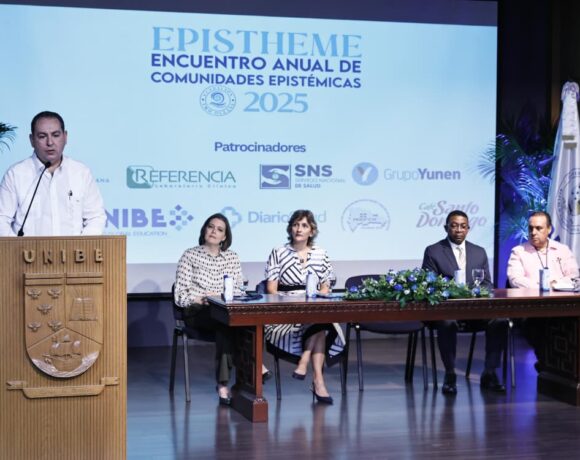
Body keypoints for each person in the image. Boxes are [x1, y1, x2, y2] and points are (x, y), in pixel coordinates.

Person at [422, 210, 508, 395]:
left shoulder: (479, 252)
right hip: (447, 311)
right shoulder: (433, 251)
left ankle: (489, 372)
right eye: (454, 226)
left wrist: (474, 295)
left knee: (500, 320)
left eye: (463, 226)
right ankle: (450, 374)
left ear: (468, 228)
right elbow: (429, 284)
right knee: (446, 323)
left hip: (474, 311)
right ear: (446, 228)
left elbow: (487, 284)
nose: (459, 230)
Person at [264, 209, 344, 404]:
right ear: (290, 228)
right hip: (286, 311)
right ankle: (318, 381)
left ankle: (305, 362)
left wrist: (318, 298)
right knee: (321, 325)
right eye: (295, 225)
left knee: (320, 319)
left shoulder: (321, 253)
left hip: (314, 305)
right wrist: (292, 304)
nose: (299, 229)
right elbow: (271, 289)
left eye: (304, 225)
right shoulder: (279, 252)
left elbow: (326, 285)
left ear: (312, 231)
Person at [174, 213, 243, 405]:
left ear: (224, 237)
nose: (214, 231)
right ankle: (249, 371)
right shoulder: (190, 255)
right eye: (210, 226)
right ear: (204, 229)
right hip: (197, 311)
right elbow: (180, 295)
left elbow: (239, 290)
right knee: (226, 322)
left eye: (219, 229)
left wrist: (219, 297)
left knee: (233, 324)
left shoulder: (232, 257)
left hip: (223, 311)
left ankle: (229, 384)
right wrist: (202, 298)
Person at [0, 111, 106, 236]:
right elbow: (2, 219)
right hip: (26, 249)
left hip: (74, 249)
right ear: (32, 140)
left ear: (65, 137)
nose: (50, 142)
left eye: (56, 135)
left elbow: (95, 217)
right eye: (42, 136)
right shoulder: (15, 175)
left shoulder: (81, 173)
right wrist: (18, 247)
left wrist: (81, 246)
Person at [507, 211, 579, 369]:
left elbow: (575, 277)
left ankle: (564, 368)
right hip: (531, 309)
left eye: (538, 228)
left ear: (549, 229)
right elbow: (515, 279)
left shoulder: (562, 250)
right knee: (538, 325)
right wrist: (543, 285)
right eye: (530, 228)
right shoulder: (519, 252)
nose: (533, 232)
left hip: (561, 307)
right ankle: (547, 365)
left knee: (571, 323)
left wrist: (556, 284)